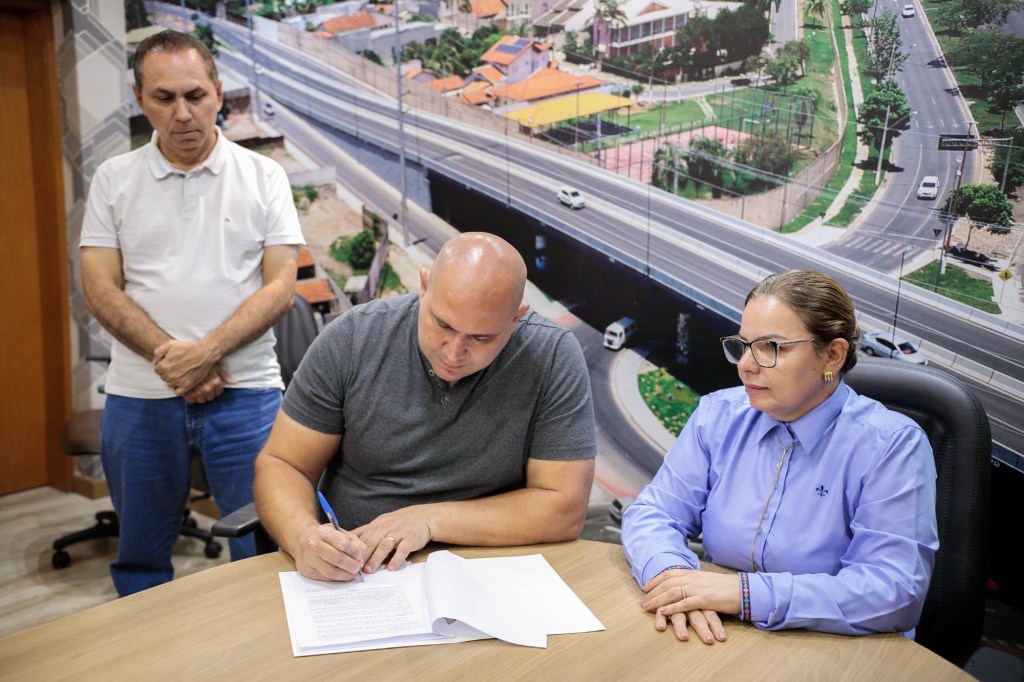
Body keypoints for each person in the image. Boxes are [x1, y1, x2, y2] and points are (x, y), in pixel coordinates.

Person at [80, 30, 304, 596]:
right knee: (140, 557)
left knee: (263, 549)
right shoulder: (114, 179)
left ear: (218, 92)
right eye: (163, 98)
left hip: (247, 393)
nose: (182, 113)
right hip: (140, 396)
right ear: (140, 99)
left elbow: (281, 285)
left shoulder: (264, 176)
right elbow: (99, 289)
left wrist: (204, 354)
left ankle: (263, 641)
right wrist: (177, 363)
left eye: (195, 95)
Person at [254, 232, 596, 582]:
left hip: (489, 568)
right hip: (358, 569)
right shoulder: (354, 338)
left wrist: (427, 520)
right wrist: (304, 536)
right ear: (423, 287)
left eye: (482, 337)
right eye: (443, 324)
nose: (454, 353)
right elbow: (283, 463)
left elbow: (563, 509)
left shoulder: (550, 357)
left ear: (516, 318)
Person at [622, 269, 938, 644]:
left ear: (833, 355)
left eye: (771, 347)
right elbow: (653, 514)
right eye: (743, 345)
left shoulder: (891, 446)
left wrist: (743, 595)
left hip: (836, 649)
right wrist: (673, 578)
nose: (746, 364)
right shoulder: (717, 416)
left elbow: (894, 592)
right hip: (723, 633)